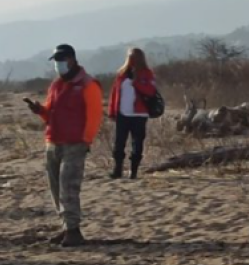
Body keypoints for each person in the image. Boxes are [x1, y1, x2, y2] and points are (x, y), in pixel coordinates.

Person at [25, 44, 103, 248]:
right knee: (56, 187)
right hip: (53, 140)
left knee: (69, 185)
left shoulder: (88, 84)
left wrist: (86, 140)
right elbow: (50, 113)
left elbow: (94, 115)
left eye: (61, 60)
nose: (58, 65)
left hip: (75, 142)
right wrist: (39, 110)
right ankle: (67, 226)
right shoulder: (56, 85)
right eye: (56, 61)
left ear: (72, 59)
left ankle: (74, 229)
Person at [107, 48, 157, 180]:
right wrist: (112, 111)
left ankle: (133, 171)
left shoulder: (147, 74)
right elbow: (114, 94)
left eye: (135, 57)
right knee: (119, 143)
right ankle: (117, 169)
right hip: (122, 113)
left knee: (137, 143)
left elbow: (150, 91)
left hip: (139, 114)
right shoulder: (121, 74)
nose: (132, 60)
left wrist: (136, 82)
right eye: (130, 57)